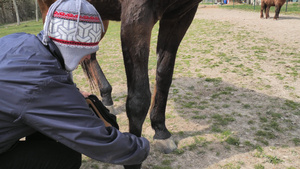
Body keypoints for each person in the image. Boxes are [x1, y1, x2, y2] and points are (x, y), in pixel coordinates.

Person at [0, 0, 150, 169]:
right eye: (86, 51)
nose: (88, 58)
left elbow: (31, 88)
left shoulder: (18, 40)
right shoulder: (43, 86)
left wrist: (71, 94)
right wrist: (144, 147)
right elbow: (99, 141)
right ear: (72, 47)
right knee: (66, 157)